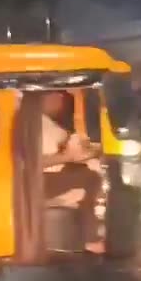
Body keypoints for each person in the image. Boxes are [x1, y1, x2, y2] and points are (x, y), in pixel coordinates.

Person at [41, 90, 105, 254]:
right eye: (58, 97)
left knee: (90, 171)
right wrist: (67, 156)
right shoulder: (31, 123)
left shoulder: (49, 123)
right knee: (90, 179)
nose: (61, 102)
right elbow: (31, 162)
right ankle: (91, 238)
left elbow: (68, 147)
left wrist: (86, 153)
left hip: (53, 174)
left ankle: (92, 227)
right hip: (37, 181)